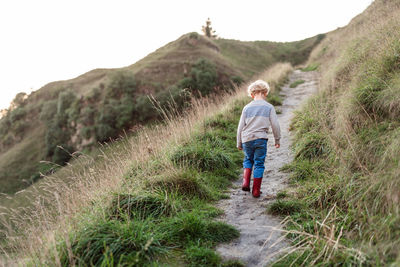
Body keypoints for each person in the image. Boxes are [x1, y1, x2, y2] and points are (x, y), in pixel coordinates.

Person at [236, 80, 281, 198]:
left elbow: (240, 127)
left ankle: (246, 182)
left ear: (252, 94)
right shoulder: (269, 107)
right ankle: (256, 190)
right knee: (259, 163)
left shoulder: (246, 108)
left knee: (248, 159)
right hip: (261, 139)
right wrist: (277, 140)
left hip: (247, 139)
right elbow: (275, 125)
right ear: (265, 93)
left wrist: (239, 142)